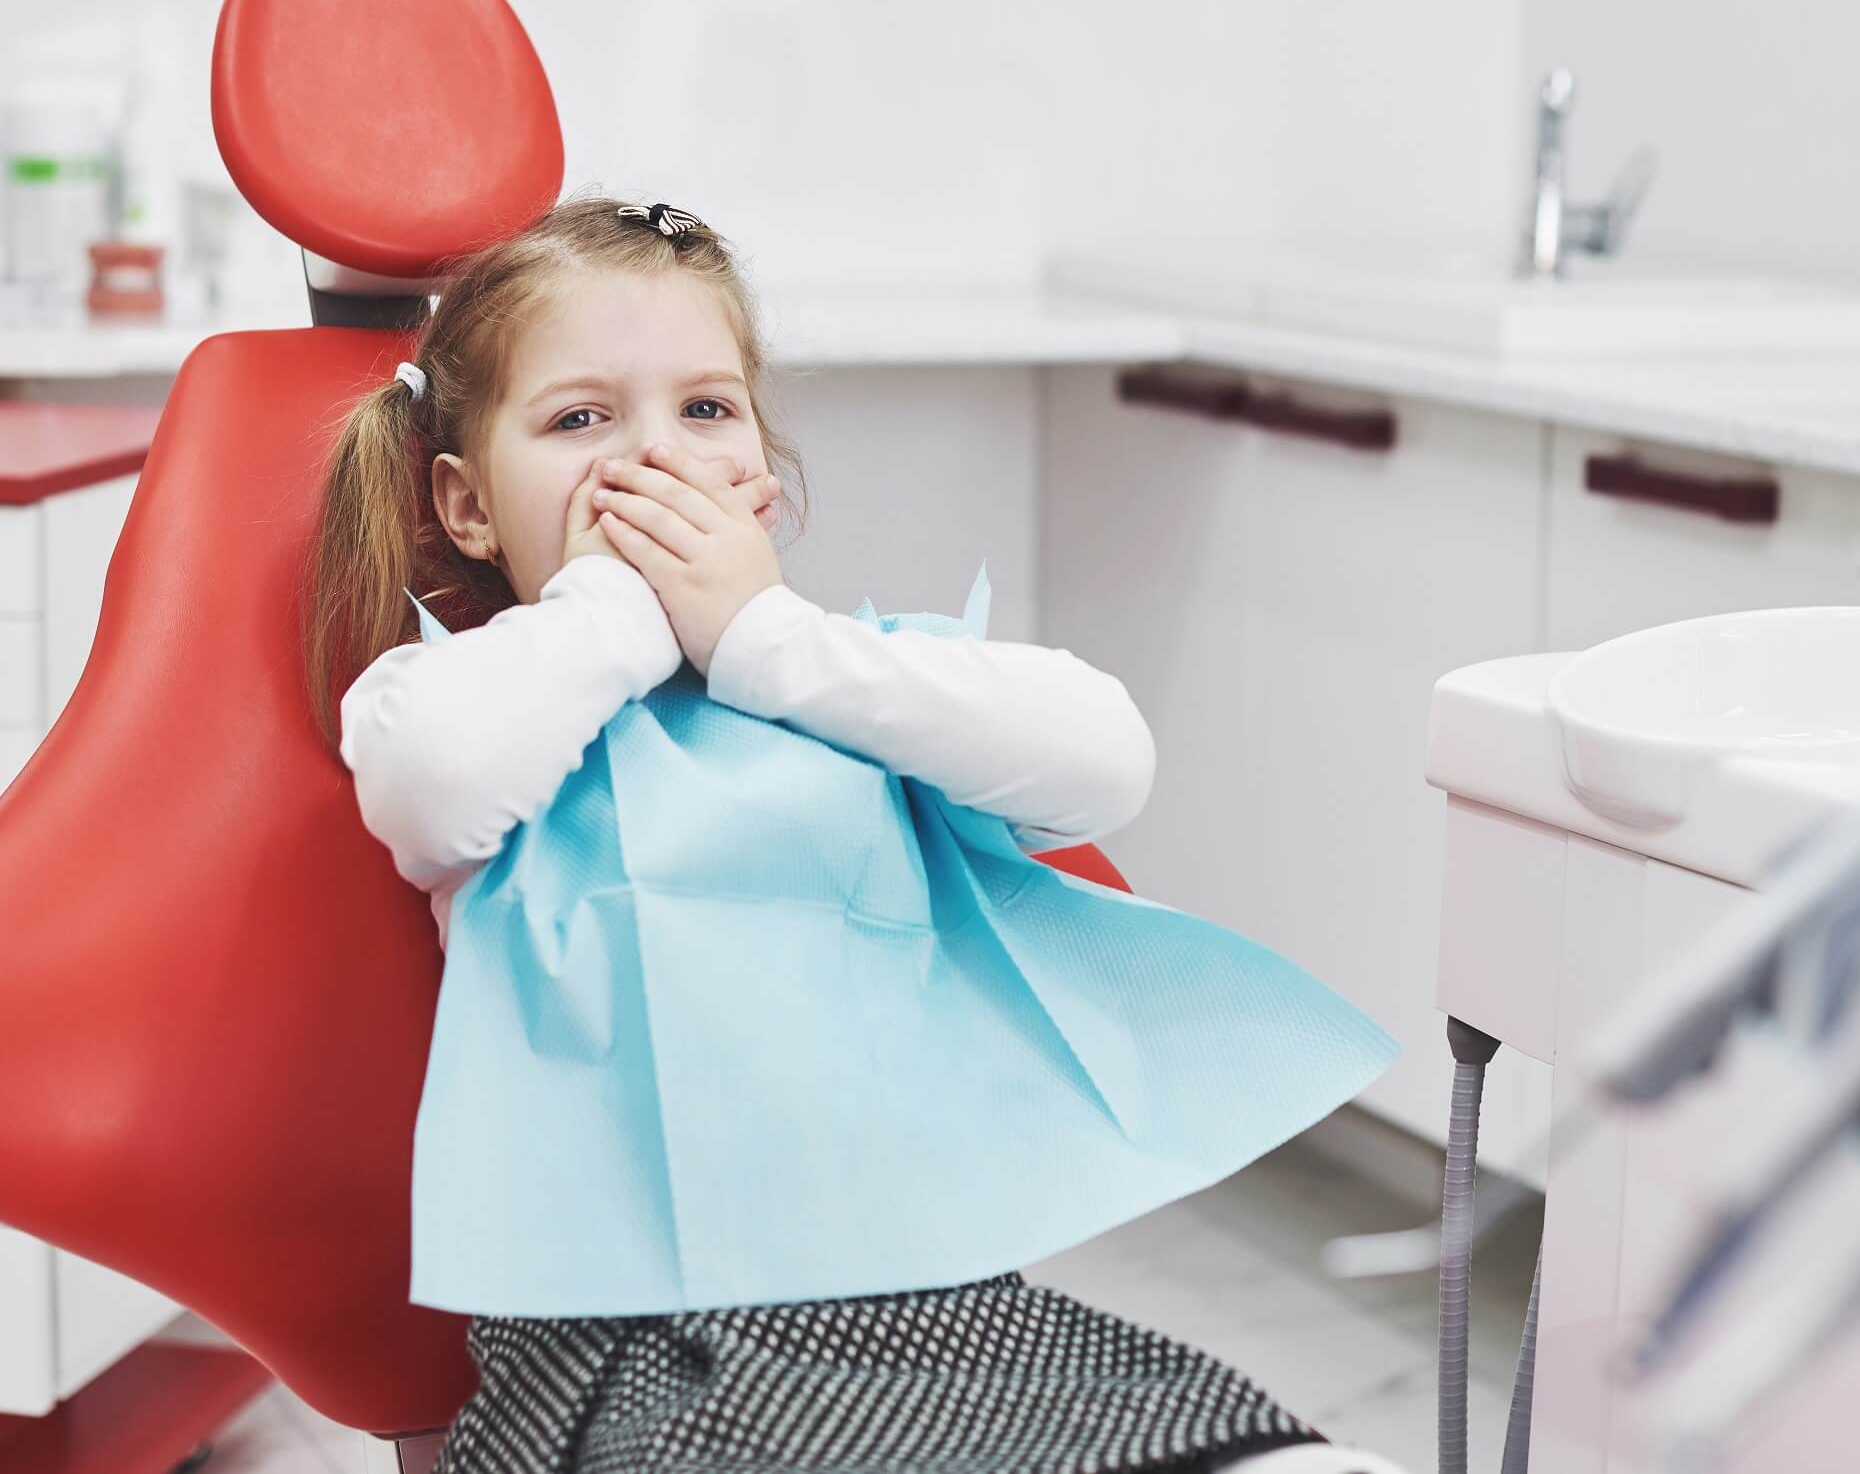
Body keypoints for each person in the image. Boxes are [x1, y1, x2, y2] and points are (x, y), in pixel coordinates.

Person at [305, 194, 1412, 1474]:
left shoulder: (847, 681)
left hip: (943, 1315)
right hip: (632, 1346)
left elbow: (1103, 758)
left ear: (760, 480)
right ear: (469, 505)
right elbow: (434, 779)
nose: (649, 463)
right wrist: (616, 605)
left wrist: (770, 640)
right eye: (579, 420)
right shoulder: (457, 693)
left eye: (705, 411)